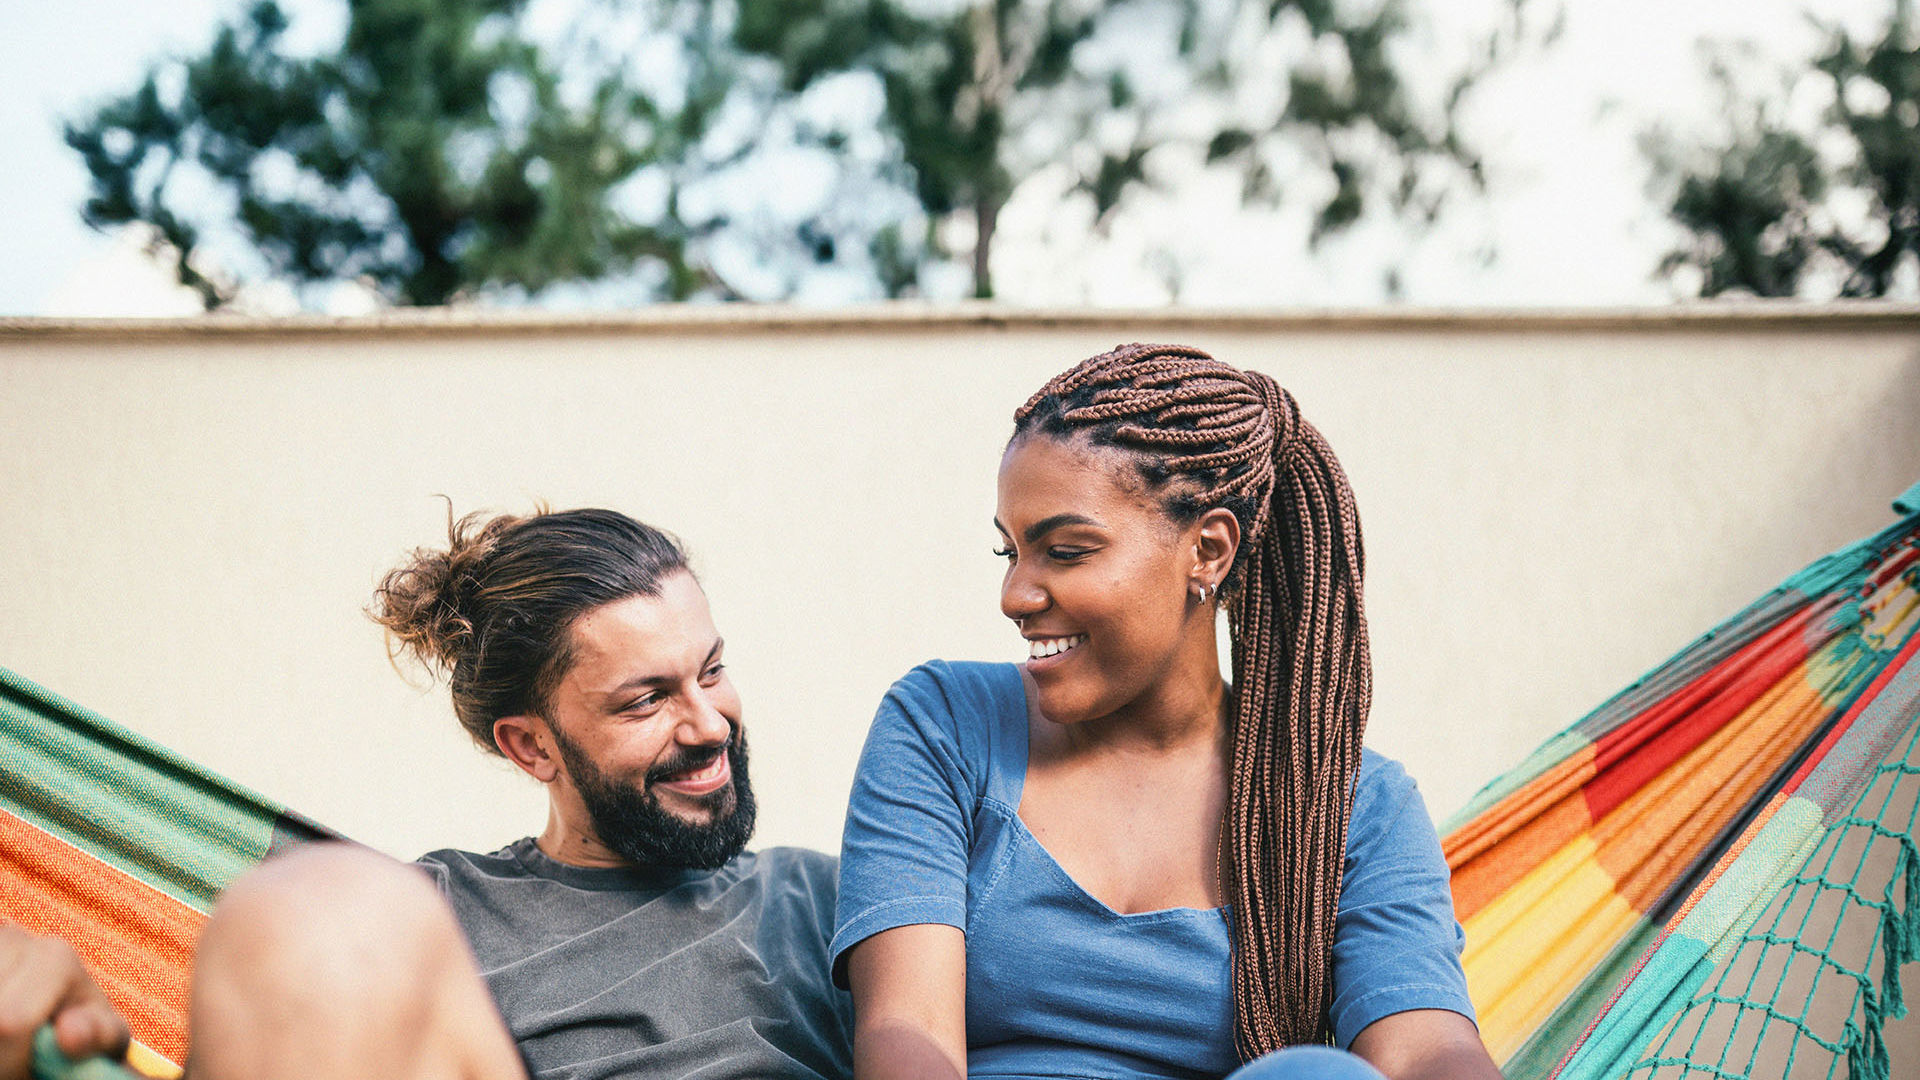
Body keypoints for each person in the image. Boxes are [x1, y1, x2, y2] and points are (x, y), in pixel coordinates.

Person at [832, 344, 1502, 1080]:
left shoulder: (1350, 807)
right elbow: (907, 1032)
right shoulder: (945, 724)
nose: (1016, 596)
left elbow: (1424, 1050)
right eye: (1011, 553)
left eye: (1065, 551)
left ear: (1207, 550)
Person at [0, 507, 853, 1080]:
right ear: (530, 745)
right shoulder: (425, 921)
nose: (709, 724)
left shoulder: (827, 898)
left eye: (712, 672)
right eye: (647, 698)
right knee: (312, 900)